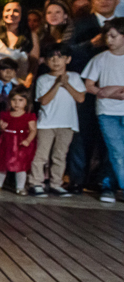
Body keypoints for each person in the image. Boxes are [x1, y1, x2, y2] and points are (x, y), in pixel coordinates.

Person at [65, 0, 118, 195]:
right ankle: (77, 180)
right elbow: (65, 51)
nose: (104, 1)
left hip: (115, 89)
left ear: (117, 0)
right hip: (85, 88)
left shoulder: (121, 25)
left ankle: (103, 181)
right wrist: (90, 45)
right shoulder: (79, 23)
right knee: (82, 135)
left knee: (110, 139)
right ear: (93, 1)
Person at [28, 44, 84, 197]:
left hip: (67, 123)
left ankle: (56, 184)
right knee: (41, 154)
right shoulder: (43, 79)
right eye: (51, 58)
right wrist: (57, 84)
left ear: (68, 59)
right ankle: (36, 183)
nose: (55, 61)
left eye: (60, 57)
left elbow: (80, 98)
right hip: (46, 123)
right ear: (46, 61)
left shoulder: (74, 77)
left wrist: (66, 83)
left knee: (60, 155)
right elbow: (44, 101)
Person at [82, 17, 124, 203]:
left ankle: (110, 185)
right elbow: (89, 85)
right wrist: (103, 92)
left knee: (117, 152)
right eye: (107, 36)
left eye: (114, 36)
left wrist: (112, 90)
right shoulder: (99, 59)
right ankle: (111, 186)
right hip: (107, 112)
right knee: (116, 150)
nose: (109, 40)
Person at [0, 87, 36, 195]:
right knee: (1, 164)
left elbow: (33, 130)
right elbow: (0, 127)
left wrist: (28, 140)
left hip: (20, 143)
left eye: (20, 100)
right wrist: (1, 126)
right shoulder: (5, 114)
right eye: (14, 100)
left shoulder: (29, 116)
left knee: (20, 166)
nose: (17, 103)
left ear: (26, 102)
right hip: (6, 142)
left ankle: (20, 187)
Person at [0, 0, 37, 84]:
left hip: (18, 84)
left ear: (22, 15)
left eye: (16, 11)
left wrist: (29, 81)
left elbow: (34, 63)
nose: (11, 14)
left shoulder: (30, 36)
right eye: (8, 10)